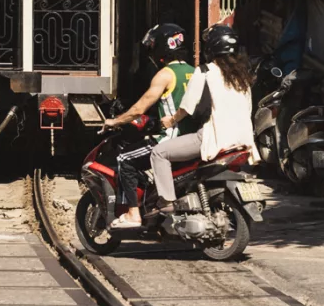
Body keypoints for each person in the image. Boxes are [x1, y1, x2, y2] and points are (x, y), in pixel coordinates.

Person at [148, 24, 257, 209]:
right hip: (243, 141)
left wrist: (171, 120)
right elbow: (248, 109)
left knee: (158, 153)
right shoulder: (243, 77)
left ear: (211, 48)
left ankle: (166, 201)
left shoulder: (205, 72)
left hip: (214, 139)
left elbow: (187, 107)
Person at [106, 22, 195, 230]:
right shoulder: (193, 72)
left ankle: (133, 214)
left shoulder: (165, 75)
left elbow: (140, 108)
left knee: (125, 159)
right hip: (192, 139)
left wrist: (115, 121)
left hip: (170, 140)